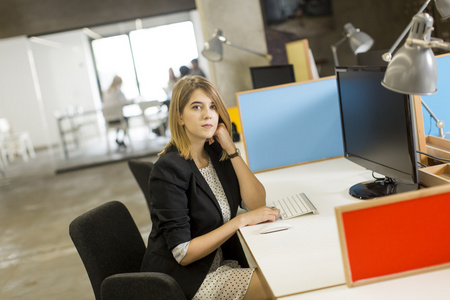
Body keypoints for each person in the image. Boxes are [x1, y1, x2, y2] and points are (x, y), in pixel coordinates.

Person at [140, 75, 280, 300]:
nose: (208, 114)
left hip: (219, 263)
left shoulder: (216, 154)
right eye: (197, 107)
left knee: (281, 271)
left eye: (213, 106)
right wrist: (240, 221)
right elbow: (182, 253)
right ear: (180, 116)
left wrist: (230, 148)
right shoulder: (168, 170)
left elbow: (255, 203)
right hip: (187, 280)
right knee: (277, 286)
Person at [102, 75, 131, 148]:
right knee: (125, 120)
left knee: (120, 120)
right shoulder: (118, 90)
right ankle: (123, 139)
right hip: (118, 119)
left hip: (108, 120)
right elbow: (125, 101)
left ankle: (118, 138)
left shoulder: (106, 91)